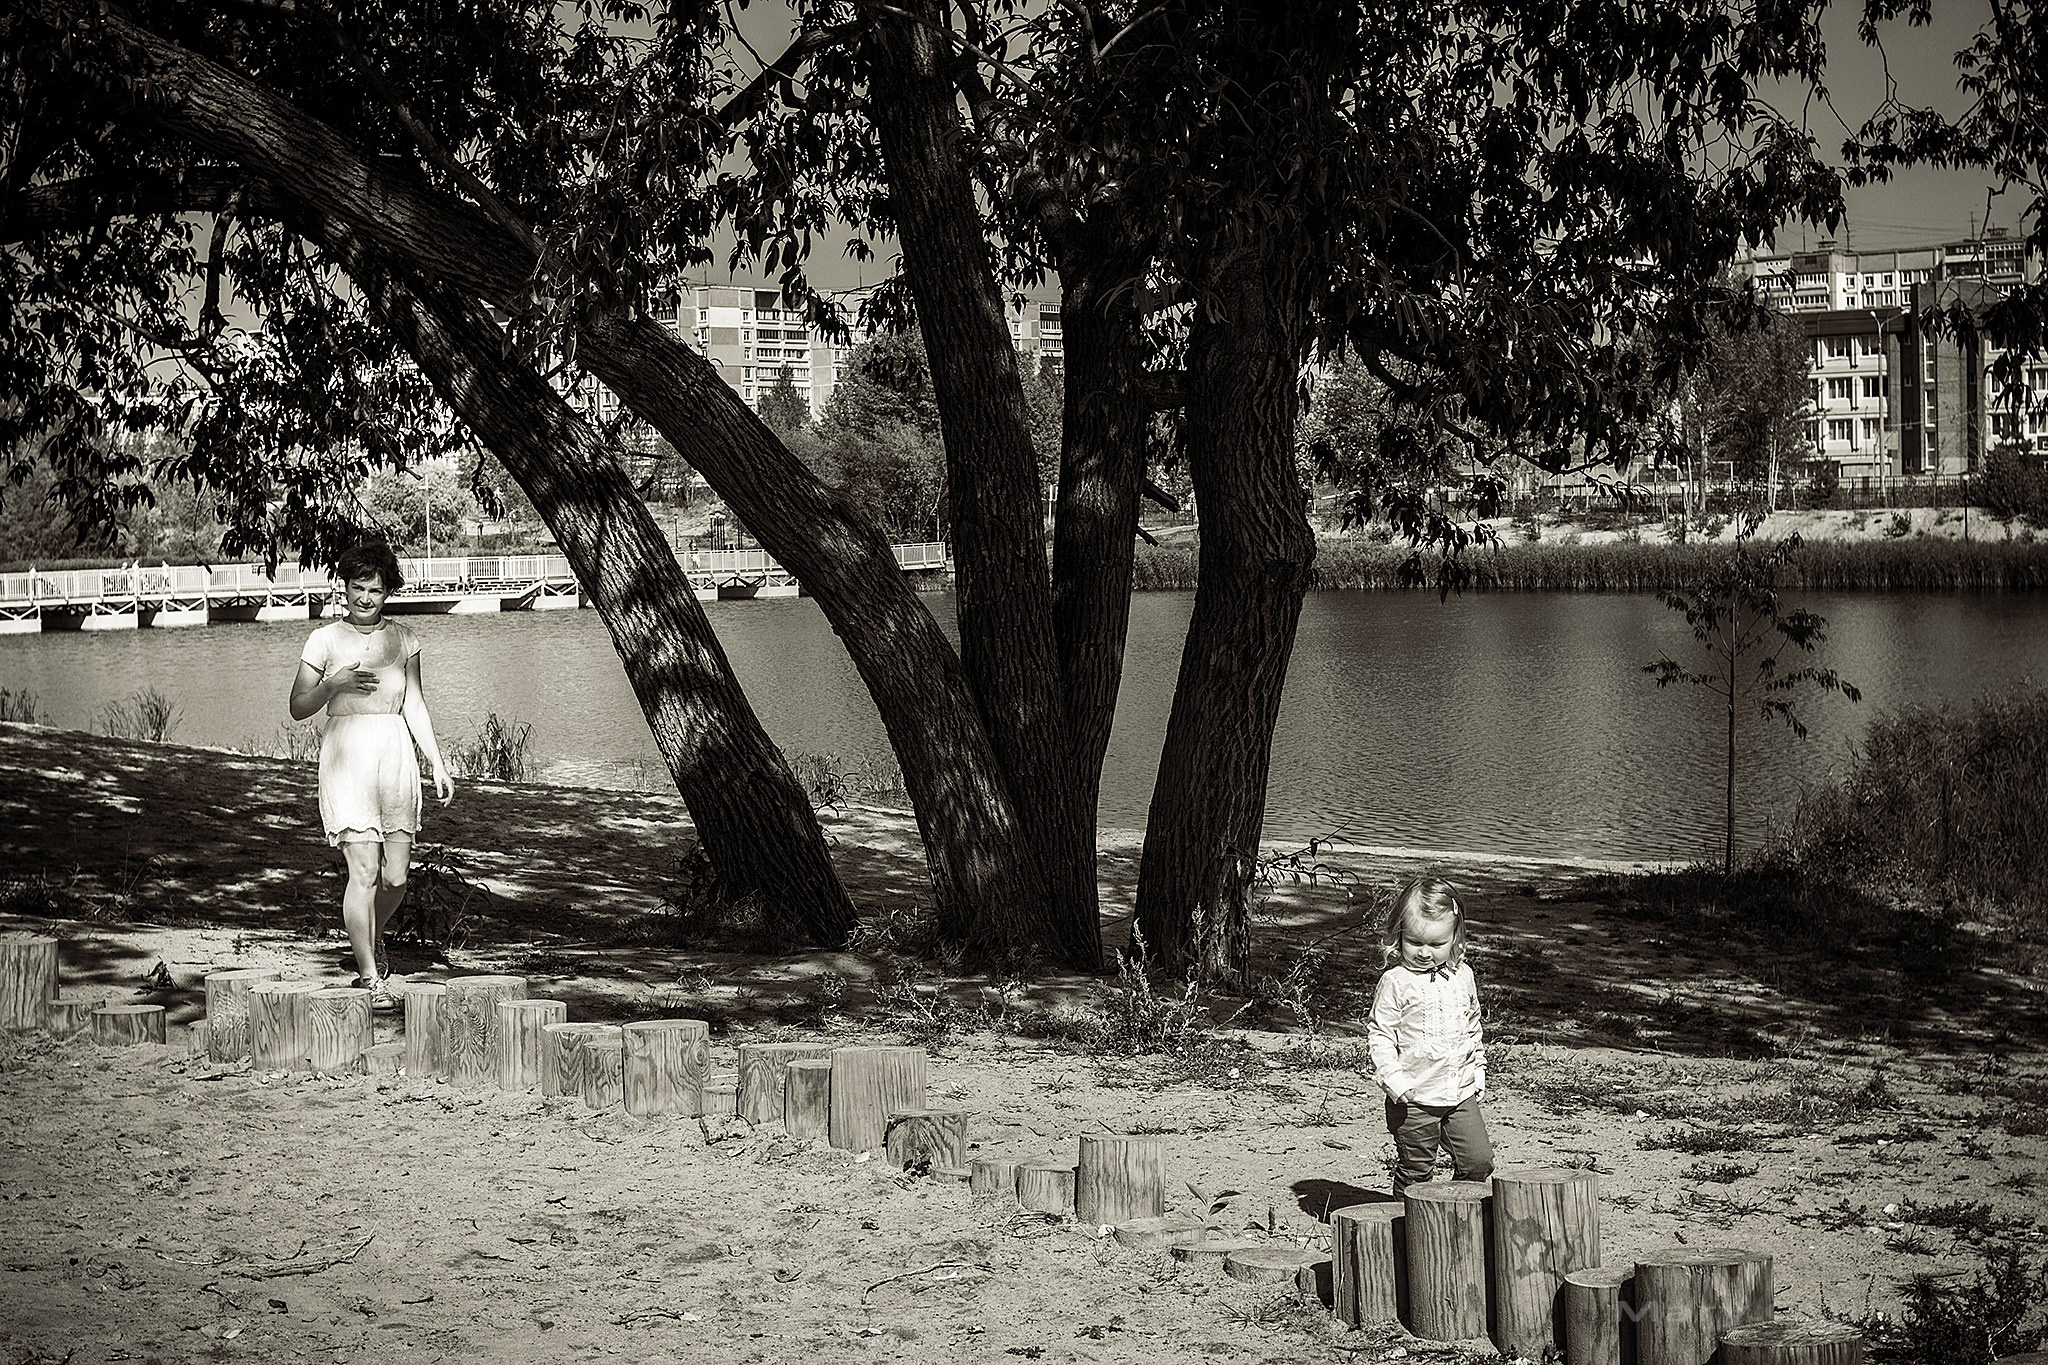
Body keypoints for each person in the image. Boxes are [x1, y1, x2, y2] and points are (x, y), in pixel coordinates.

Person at [289, 543, 455, 1007]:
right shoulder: (324, 640)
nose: (365, 597)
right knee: (363, 871)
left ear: (388, 592)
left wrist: (437, 762)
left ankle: (370, 934)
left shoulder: (405, 639)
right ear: (343, 588)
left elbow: (415, 703)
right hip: (348, 756)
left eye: (375, 590)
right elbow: (298, 706)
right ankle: (368, 976)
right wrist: (333, 684)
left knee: (396, 877)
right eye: (357, 587)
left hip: (395, 753)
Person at [1366, 876, 1493, 1193]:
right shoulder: (1396, 981)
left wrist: (1478, 1067)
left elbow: (1472, 1024)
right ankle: (1405, 1219)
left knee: (1478, 1162)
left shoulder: (1463, 976)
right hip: (1414, 1098)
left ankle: (1455, 1209)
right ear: (1399, 935)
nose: (1424, 952)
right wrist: (1394, 1080)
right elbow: (1381, 1035)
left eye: (1436, 945)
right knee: (1417, 1170)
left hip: (1459, 1093)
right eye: (1415, 942)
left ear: (1455, 938)